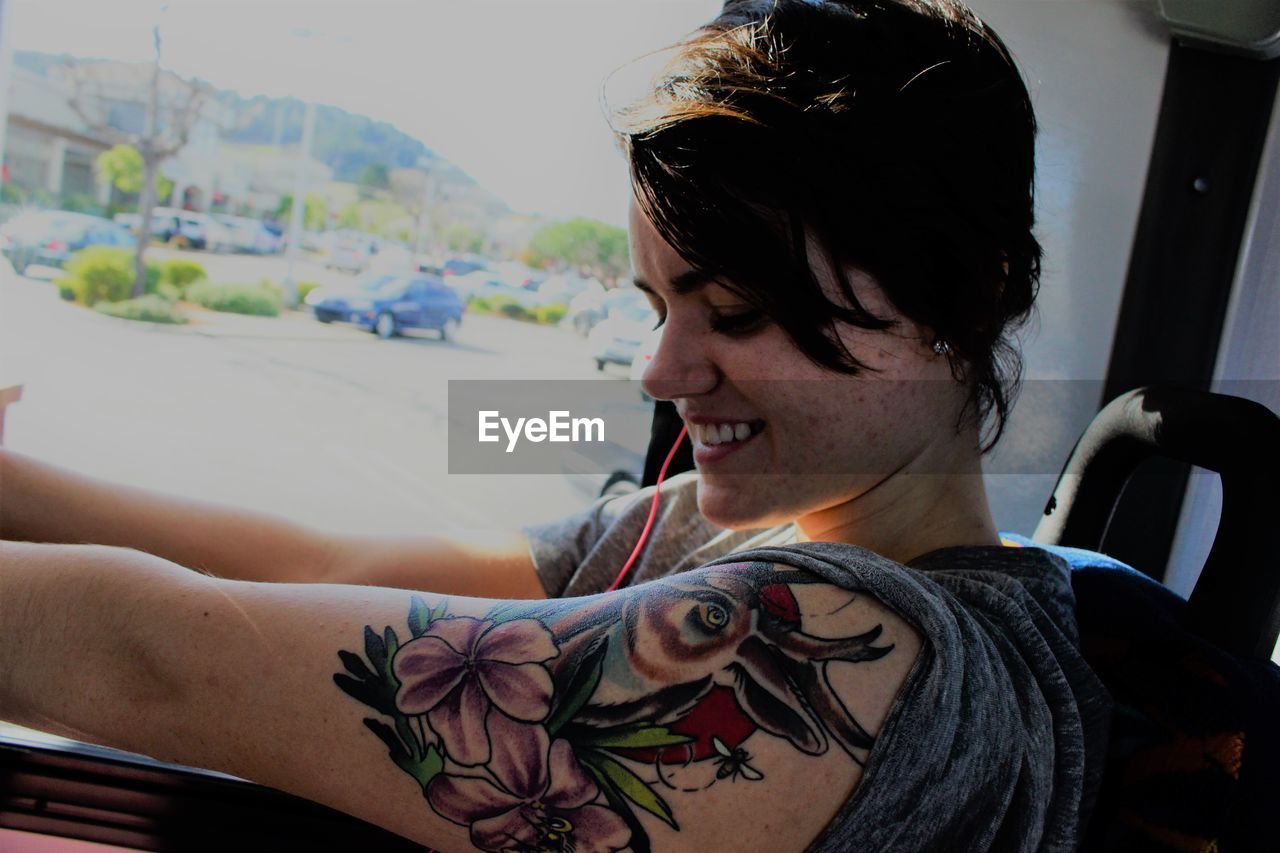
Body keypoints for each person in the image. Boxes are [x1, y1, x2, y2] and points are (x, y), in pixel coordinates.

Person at [0, 2, 1109, 851]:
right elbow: (329, 566)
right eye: (654, 304)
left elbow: (163, 661)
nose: (658, 369)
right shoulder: (691, 528)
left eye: (736, 310)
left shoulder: (895, 663)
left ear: (960, 303)